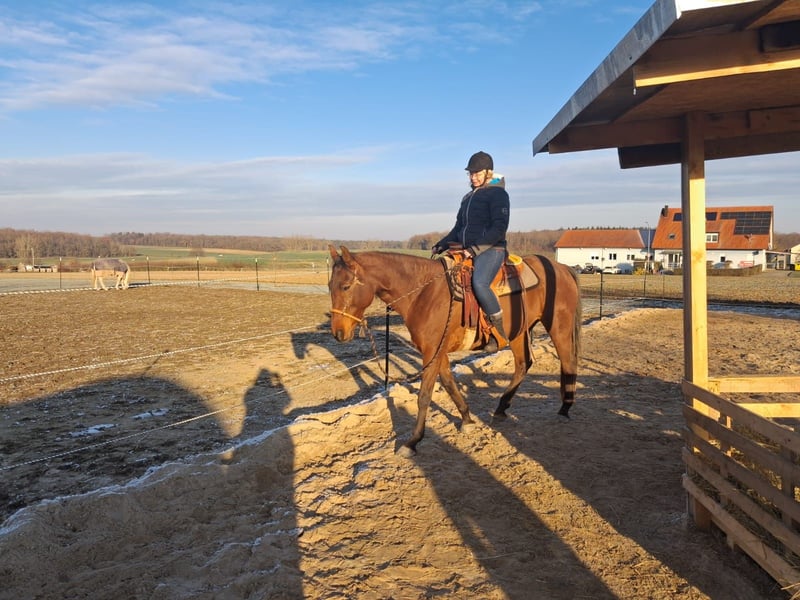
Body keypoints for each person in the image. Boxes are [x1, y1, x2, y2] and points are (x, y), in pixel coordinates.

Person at [432, 151, 510, 351]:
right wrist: (442, 244)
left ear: (488, 173)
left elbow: (499, 228)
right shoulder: (467, 197)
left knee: (480, 283)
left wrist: (475, 249)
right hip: (468, 250)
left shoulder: (498, 194)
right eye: (471, 173)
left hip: (491, 249)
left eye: (477, 173)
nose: (473, 177)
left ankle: (498, 333)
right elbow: (459, 228)